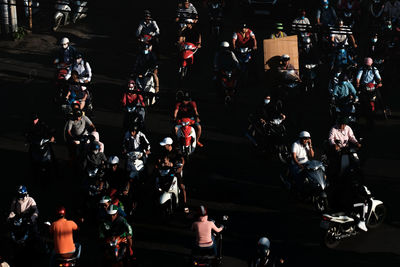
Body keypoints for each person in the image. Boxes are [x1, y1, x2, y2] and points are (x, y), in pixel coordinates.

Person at [157, 137, 188, 213]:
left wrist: (180, 167)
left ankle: (185, 205)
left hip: (175, 170)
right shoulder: (164, 151)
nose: (164, 146)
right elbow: (160, 159)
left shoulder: (176, 151)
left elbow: (182, 160)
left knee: (181, 186)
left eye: (165, 145)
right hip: (165, 171)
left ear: (169, 145)